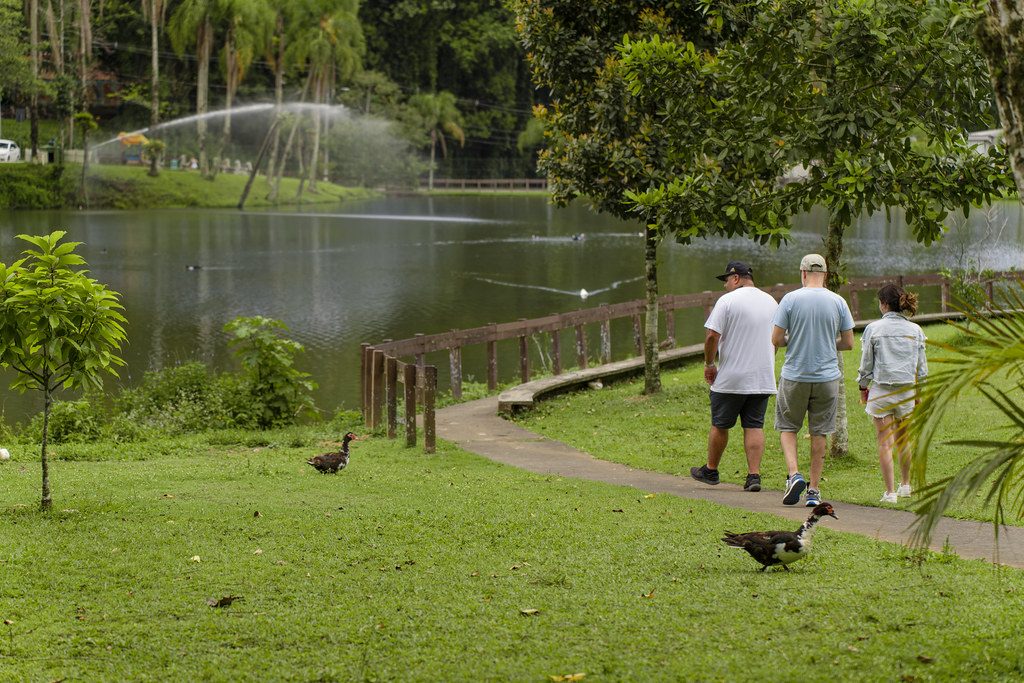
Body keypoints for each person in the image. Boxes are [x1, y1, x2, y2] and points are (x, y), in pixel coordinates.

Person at [771, 254, 855, 507]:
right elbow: (848, 343)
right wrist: (828, 344)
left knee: (788, 426)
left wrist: (793, 340)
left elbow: (776, 339)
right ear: (825, 275)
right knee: (819, 432)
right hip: (827, 378)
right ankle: (814, 490)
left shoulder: (790, 299)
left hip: (795, 375)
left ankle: (794, 474)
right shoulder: (838, 301)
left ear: (803, 273)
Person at [690, 261, 779, 492]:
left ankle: (711, 470)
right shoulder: (771, 302)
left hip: (731, 378)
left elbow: (712, 336)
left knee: (720, 424)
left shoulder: (727, 301)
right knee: (754, 426)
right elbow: (777, 339)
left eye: (726, 280)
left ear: (736, 278)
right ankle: (754, 476)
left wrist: (709, 364)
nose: (725, 285)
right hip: (762, 378)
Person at [856, 284, 928, 504]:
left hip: (882, 391)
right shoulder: (915, 330)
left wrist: (863, 387)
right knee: (904, 440)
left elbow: (866, 365)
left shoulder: (873, 329)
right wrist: (919, 392)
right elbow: (922, 369)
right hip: (907, 391)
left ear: (884, 304)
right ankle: (905, 485)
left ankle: (890, 493)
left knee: (884, 442)